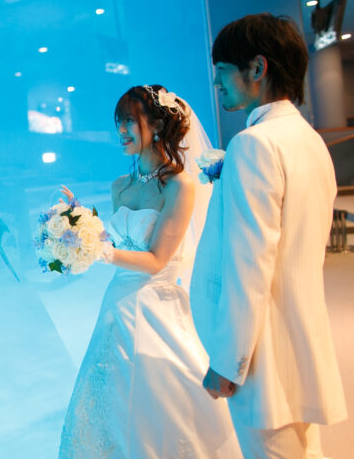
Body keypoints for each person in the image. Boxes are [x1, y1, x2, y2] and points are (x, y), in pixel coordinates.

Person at [190, 13, 348, 458]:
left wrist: (228, 362)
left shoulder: (254, 144)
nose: (217, 84)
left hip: (264, 355)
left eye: (222, 71)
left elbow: (250, 264)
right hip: (300, 338)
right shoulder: (310, 140)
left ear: (256, 68)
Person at [58, 85, 240, 458]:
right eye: (118, 123)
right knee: (109, 399)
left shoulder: (179, 186)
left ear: (156, 125)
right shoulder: (119, 187)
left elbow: (157, 259)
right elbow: (117, 242)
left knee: (165, 400)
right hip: (116, 304)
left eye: (129, 121)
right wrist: (75, 228)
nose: (121, 131)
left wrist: (101, 252)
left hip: (157, 303)